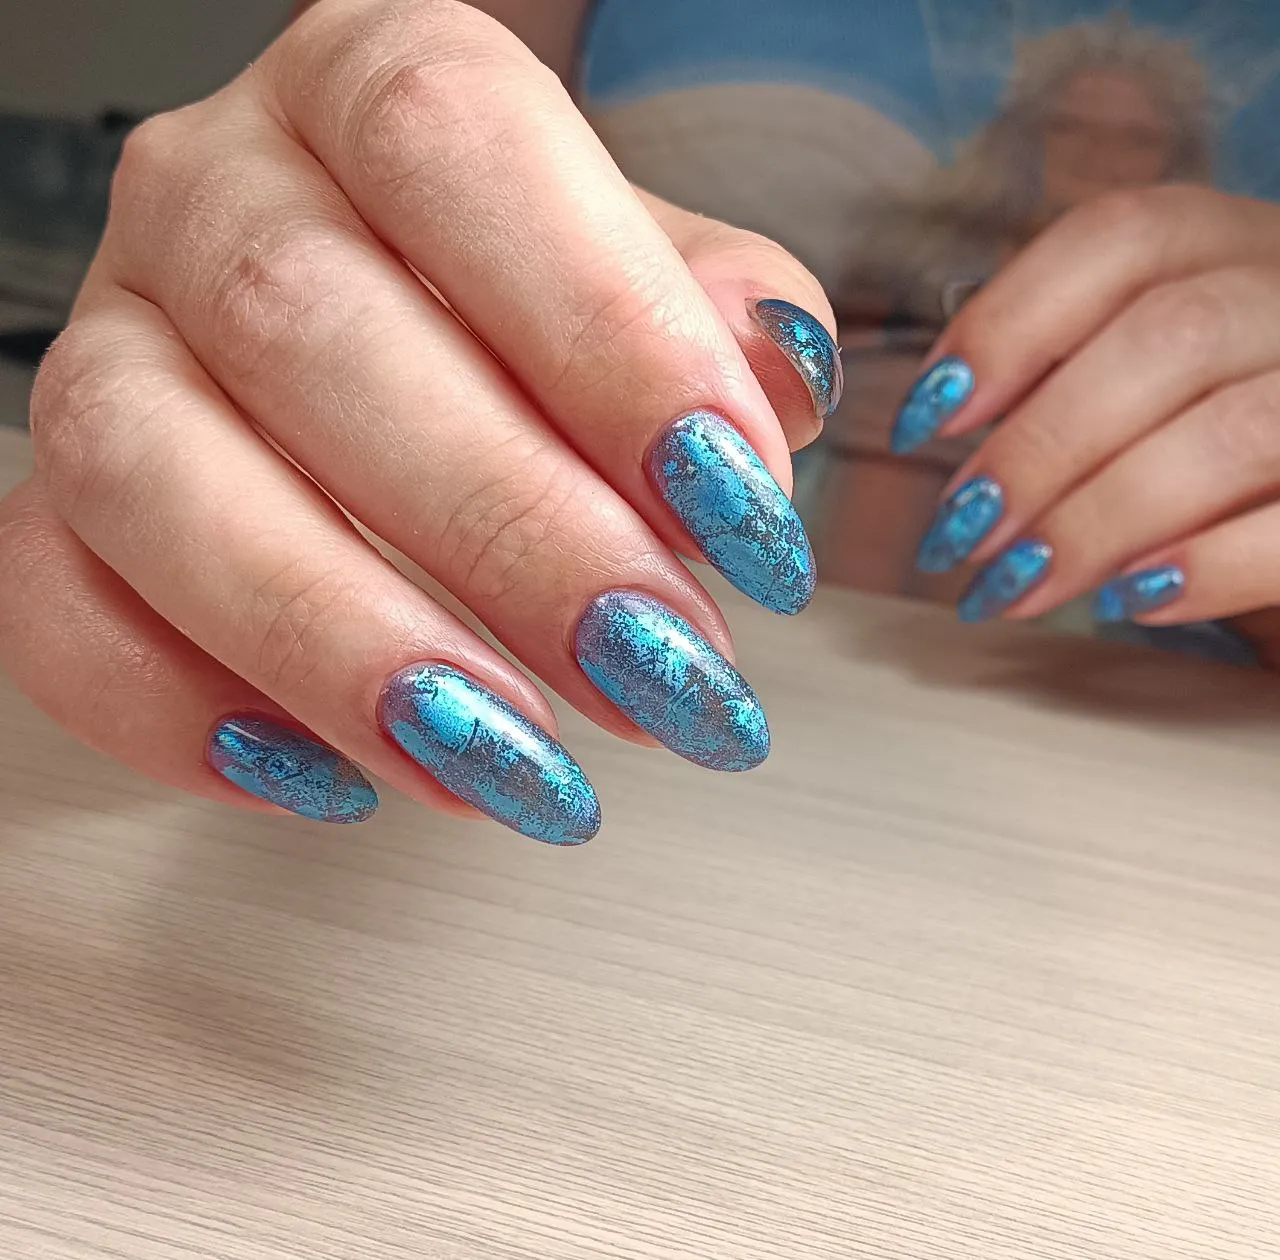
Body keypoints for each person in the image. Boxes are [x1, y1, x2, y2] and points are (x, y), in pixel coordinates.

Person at [2, 0, 1279, 839]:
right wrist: (249, 328)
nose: (1094, 155)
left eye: (1131, 137)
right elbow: (357, 144)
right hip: (627, 844)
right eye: (1071, 128)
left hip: (1175, 799)